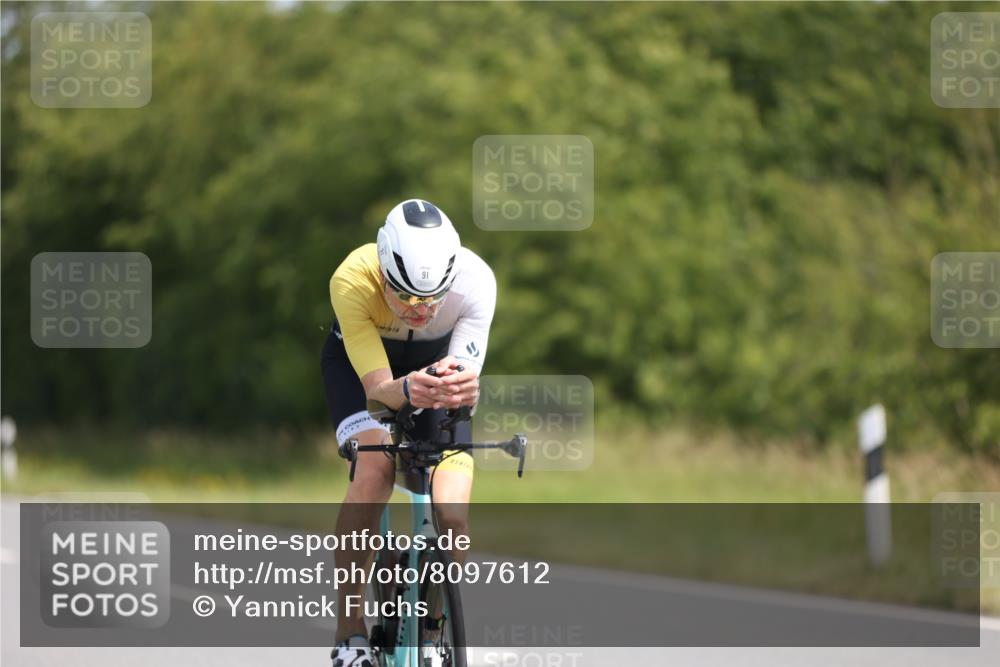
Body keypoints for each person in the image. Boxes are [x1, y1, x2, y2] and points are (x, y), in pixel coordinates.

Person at [323, 199, 496, 667]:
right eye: (406, 296)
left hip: (434, 369)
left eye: (434, 297)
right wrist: (404, 390)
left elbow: (462, 379)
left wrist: (464, 386)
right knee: (374, 471)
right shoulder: (352, 279)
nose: (421, 309)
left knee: (452, 514)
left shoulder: (477, 281)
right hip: (363, 370)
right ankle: (349, 632)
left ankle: (433, 628)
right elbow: (379, 391)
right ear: (383, 273)